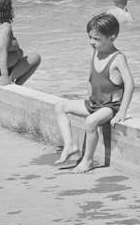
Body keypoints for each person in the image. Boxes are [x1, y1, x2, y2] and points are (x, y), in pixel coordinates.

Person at [54, 13, 134, 174]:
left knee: (91, 122)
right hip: (94, 103)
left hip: (110, 106)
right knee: (60, 106)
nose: (92, 42)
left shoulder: (118, 58)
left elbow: (130, 84)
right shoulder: (95, 52)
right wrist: (88, 97)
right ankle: (70, 145)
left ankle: (88, 160)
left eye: (97, 39)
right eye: (90, 37)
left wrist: (123, 112)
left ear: (112, 38)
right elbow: (91, 78)